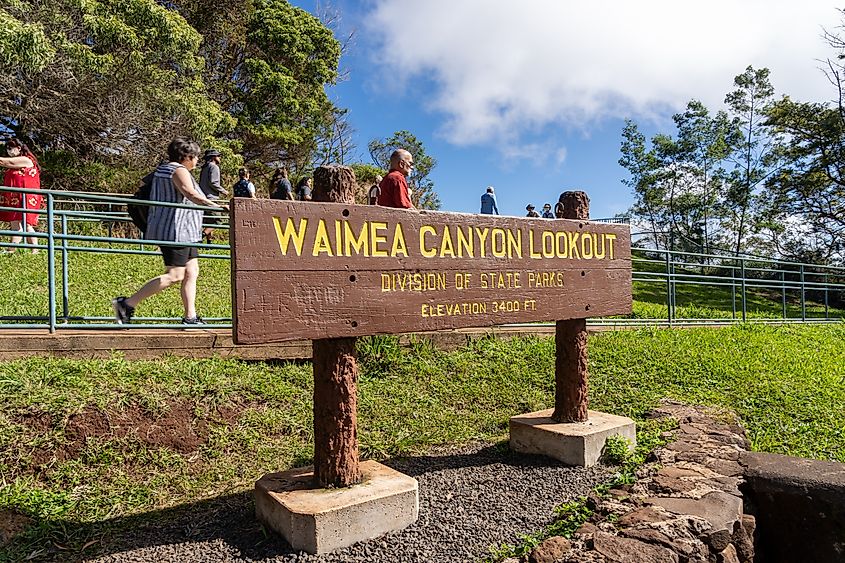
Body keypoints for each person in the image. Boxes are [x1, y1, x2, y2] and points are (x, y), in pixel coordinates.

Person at [112, 138, 227, 326]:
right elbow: (191, 194)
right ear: (186, 157)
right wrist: (217, 206)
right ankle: (126, 304)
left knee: (192, 271)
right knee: (175, 275)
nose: (197, 161)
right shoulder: (178, 170)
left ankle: (190, 316)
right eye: (195, 157)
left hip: (186, 231)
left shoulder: (164, 169)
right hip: (175, 231)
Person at [0, 138, 43, 252]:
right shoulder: (19, 161)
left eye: (10, 148)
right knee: (15, 223)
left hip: (27, 198)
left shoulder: (26, 160)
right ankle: (11, 249)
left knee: (27, 224)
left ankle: (35, 250)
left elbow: (6, 162)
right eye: (7, 148)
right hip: (15, 198)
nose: (8, 151)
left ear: (19, 148)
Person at [198, 149, 227, 242]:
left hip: (203, 197)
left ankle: (209, 244)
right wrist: (223, 191)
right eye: (218, 156)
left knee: (208, 221)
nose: (219, 158)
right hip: (212, 198)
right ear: (214, 157)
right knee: (217, 221)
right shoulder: (214, 167)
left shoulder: (204, 168)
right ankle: (200, 237)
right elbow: (213, 182)